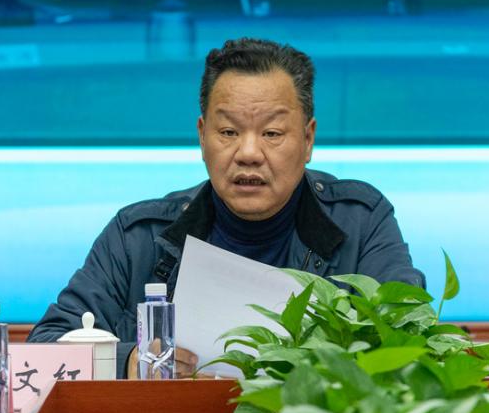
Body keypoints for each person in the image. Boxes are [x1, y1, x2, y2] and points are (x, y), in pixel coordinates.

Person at [27, 37, 424, 378]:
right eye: (229, 131)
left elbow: (411, 338)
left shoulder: (361, 222)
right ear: (202, 136)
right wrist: (130, 362)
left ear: (308, 139)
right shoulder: (139, 236)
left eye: (272, 133)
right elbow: (43, 351)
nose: (248, 153)